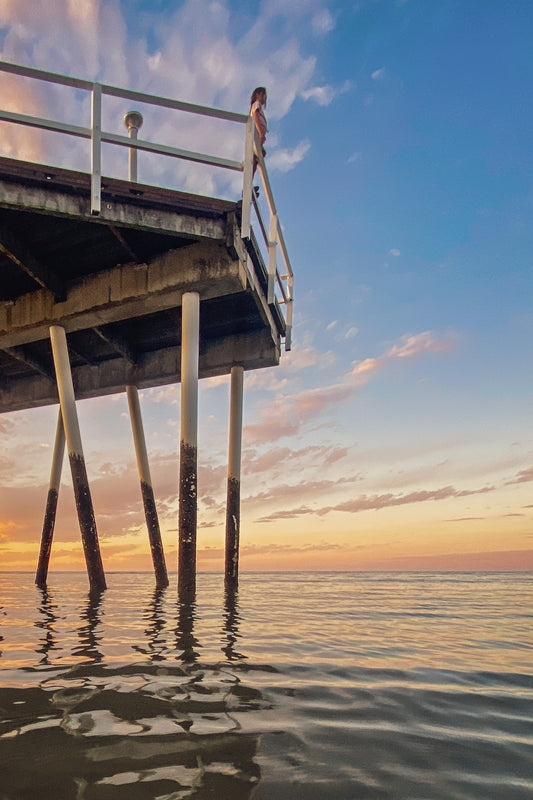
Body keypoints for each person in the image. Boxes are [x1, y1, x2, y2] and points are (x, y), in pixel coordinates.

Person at [250, 86, 268, 182]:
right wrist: (261, 132)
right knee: (253, 161)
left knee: (256, 161)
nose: (265, 98)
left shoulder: (258, 106)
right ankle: (247, 186)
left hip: (258, 138)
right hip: (257, 136)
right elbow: (256, 117)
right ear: (258, 95)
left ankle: (249, 184)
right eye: (264, 95)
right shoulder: (256, 104)